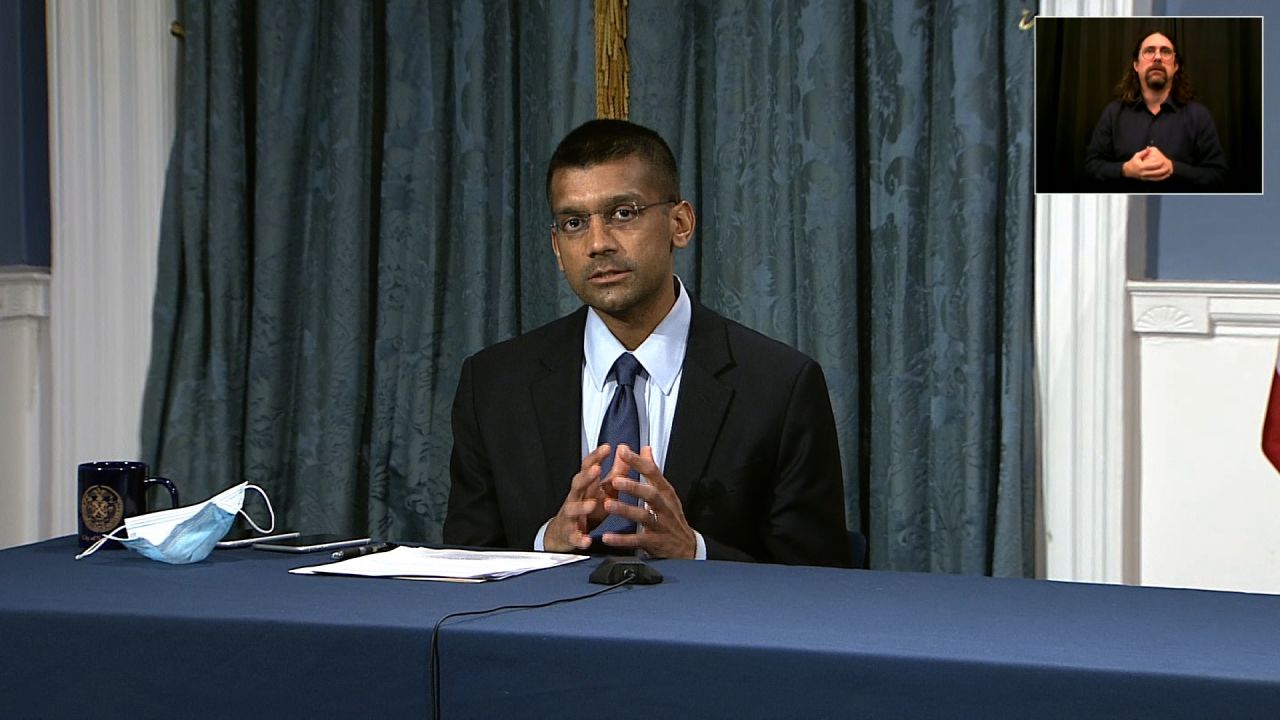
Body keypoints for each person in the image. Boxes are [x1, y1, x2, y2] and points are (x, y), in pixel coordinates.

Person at [443, 119, 852, 567]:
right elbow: (466, 565)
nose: (598, 243)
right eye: (575, 222)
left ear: (680, 223)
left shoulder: (780, 386)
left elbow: (820, 581)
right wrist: (546, 542)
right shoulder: (494, 385)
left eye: (624, 213)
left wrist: (694, 552)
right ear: (557, 248)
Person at [1083, 31, 1226, 192]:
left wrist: (1173, 168)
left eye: (1165, 52)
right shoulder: (1113, 113)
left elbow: (1217, 176)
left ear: (1175, 66)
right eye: (1149, 51)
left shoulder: (1199, 116)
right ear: (1136, 65)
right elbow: (1091, 167)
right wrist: (1125, 169)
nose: (1157, 57)